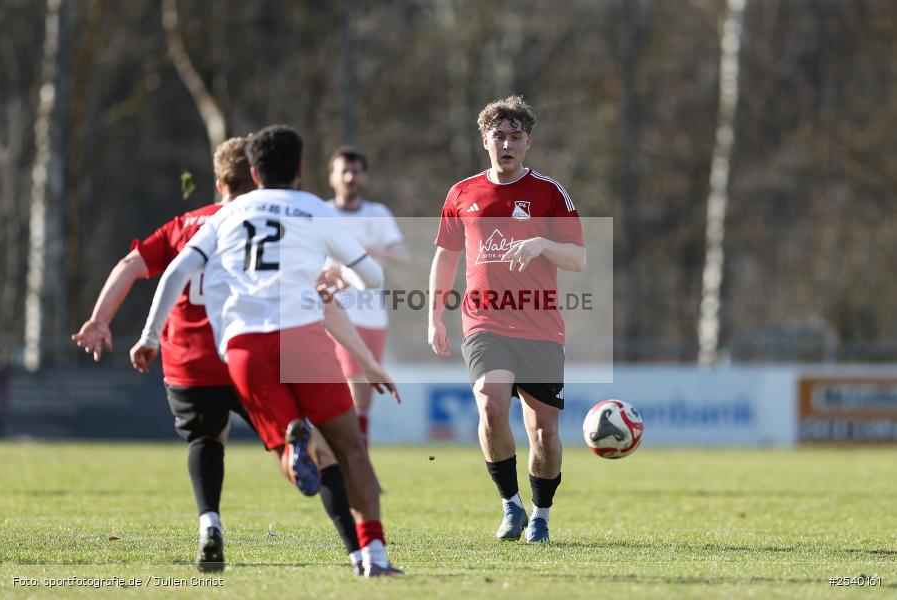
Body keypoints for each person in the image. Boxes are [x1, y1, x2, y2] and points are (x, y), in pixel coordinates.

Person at [72, 137, 379, 575]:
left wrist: (106, 322)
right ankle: (356, 550)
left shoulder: (185, 224)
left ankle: (209, 524)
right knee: (319, 452)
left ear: (219, 182)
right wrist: (363, 357)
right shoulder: (264, 221)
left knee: (205, 440)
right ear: (256, 179)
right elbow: (318, 297)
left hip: (189, 365)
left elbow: (132, 266)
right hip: (249, 353)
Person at [427, 96, 585, 544]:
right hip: (484, 323)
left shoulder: (550, 193)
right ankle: (511, 506)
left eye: (516, 136)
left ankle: (541, 514)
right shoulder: (462, 194)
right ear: (485, 140)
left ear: (528, 142)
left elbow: (579, 257)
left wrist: (541, 244)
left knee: (543, 433)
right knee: (492, 404)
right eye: (499, 135)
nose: (507, 144)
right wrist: (434, 315)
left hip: (540, 328)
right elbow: (445, 256)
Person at [324, 146, 409, 446]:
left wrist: (378, 251)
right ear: (332, 176)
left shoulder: (377, 214)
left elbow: (403, 254)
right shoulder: (322, 213)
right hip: (333, 312)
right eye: (343, 171)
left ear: (365, 177)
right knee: (341, 387)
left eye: (356, 171)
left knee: (363, 397)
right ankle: (345, 460)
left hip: (372, 315)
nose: (349, 177)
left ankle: (357, 460)